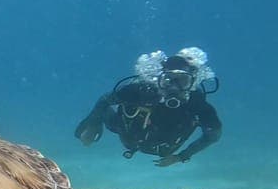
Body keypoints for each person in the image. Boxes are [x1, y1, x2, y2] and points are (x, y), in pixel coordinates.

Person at [74, 47, 221, 166]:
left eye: (183, 81)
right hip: (127, 135)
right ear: (159, 78)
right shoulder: (142, 90)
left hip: (164, 149)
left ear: (193, 83)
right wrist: (94, 123)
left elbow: (213, 134)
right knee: (109, 112)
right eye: (168, 80)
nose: (174, 88)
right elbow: (105, 100)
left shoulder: (197, 103)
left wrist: (182, 156)